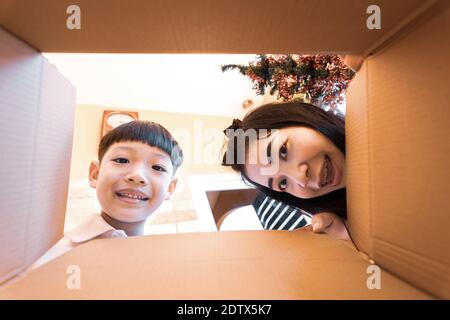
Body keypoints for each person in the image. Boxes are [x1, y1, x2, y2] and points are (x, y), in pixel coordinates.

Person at [30, 120, 183, 269]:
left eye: (157, 167)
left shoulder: (169, 263)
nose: (137, 176)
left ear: (170, 187)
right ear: (95, 174)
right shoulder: (56, 259)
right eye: (122, 160)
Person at [222, 101, 349, 240]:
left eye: (283, 150)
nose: (300, 178)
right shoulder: (347, 224)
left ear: (299, 118)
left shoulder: (371, 104)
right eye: (282, 183)